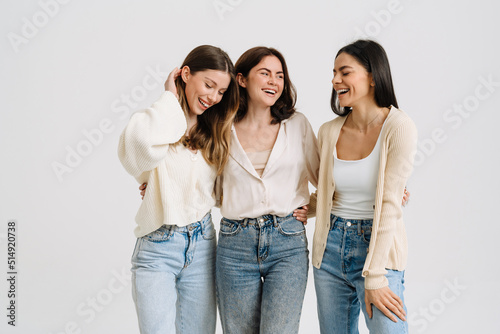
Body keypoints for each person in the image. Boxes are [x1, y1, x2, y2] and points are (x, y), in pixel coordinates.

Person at [118, 45, 239, 334]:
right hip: (158, 247)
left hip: (203, 246)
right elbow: (136, 149)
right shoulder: (158, 122)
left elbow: (224, 191)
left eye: (221, 91)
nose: (213, 97)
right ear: (185, 74)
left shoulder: (216, 131)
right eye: (209, 85)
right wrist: (169, 98)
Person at [310, 39, 417, 334]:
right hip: (329, 248)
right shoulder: (328, 131)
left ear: (372, 76)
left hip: (378, 248)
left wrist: (374, 275)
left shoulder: (399, 127)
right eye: (334, 73)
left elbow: (390, 203)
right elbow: (325, 194)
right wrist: (294, 206)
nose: (335, 80)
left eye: (345, 72)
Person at [215, 46, 319, 334]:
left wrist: (314, 206)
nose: (274, 81)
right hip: (234, 244)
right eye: (265, 73)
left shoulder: (296, 125)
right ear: (242, 79)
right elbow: (199, 176)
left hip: (287, 242)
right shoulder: (222, 127)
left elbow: (327, 178)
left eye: (280, 75)